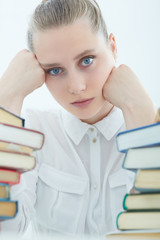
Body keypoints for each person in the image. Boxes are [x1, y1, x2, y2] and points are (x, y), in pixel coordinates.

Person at [0, 0, 156, 238]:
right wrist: (7, 97)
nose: (76, 87)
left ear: (113, 47)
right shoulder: (32, 132)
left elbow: (151, 229)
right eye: (55, 70)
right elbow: (6, 228)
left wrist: (142, 117)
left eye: (86, 60)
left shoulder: (150, 128)